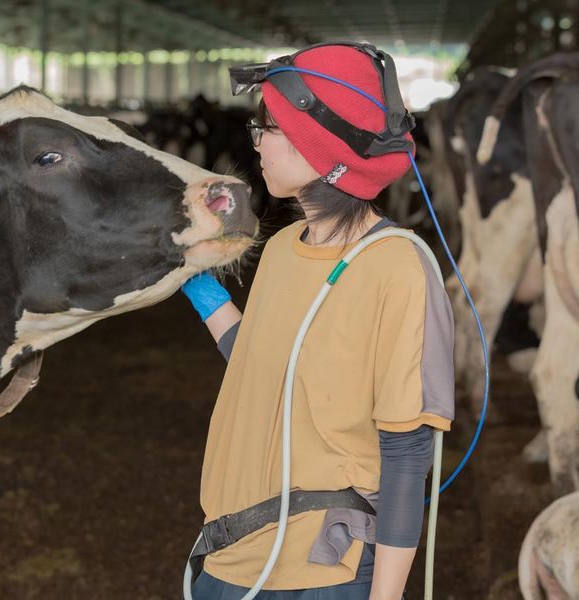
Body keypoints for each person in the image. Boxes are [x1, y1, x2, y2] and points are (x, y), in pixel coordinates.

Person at [181, 42, 455, 600]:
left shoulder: (397, 267)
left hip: (324, 570)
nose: (256, 143)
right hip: (233, 554)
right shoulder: (283, 247)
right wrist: (198, 286)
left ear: (320, 144)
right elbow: (266, 366)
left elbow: (407, 454)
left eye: (268, 128)